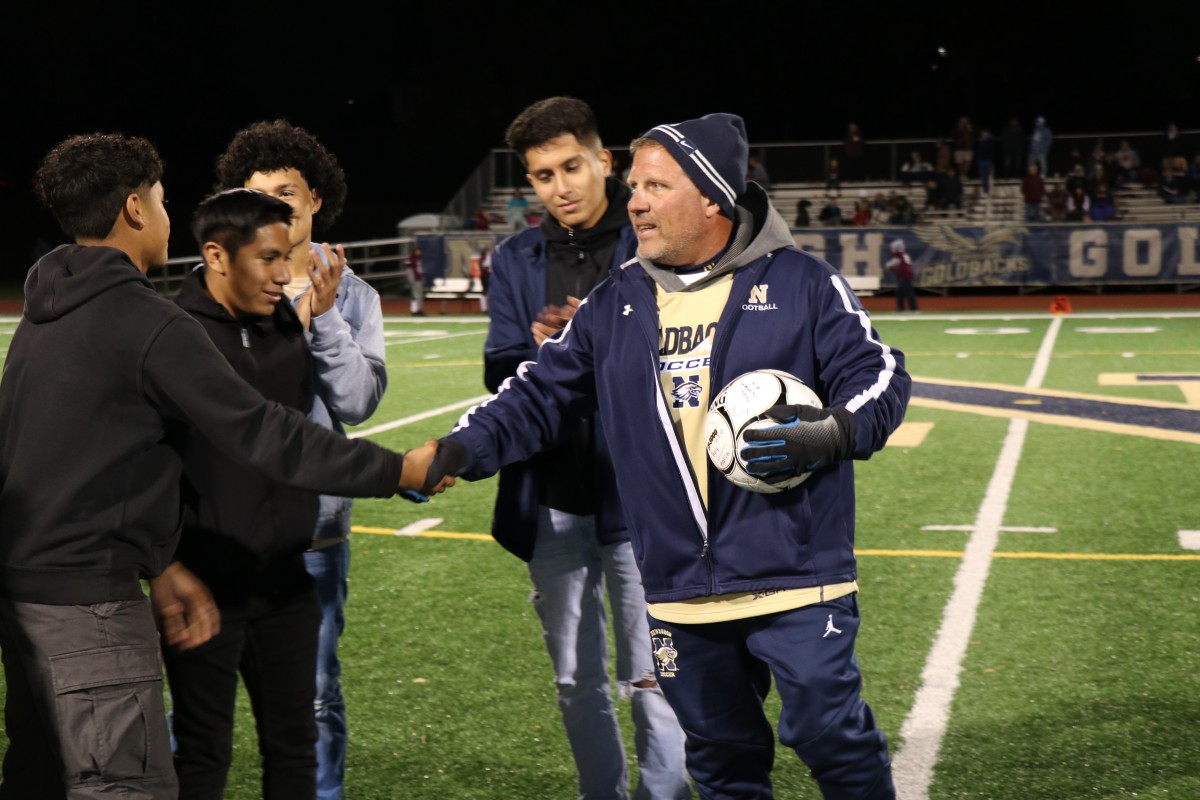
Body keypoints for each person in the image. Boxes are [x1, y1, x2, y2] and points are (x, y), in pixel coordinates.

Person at [420, 112, 909, 800]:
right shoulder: (615, 303)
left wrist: (830, 432)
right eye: (637, 185)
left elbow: (881, 376)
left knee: (829, 732)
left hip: (795, 575)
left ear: (711, 195)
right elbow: (534, 397)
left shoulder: (801, 282)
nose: (636, 201)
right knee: (720, 764)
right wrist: (457, 450)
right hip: (679, 588)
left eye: (656, 185)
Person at [0, 133, 443, 799]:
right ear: (135, 210)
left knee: (38, 776)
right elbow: (266, 434)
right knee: (127, 784)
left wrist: (162, 562)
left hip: (25, 596)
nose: (165, 210)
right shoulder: (148, 319)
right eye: (161, 197)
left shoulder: (44, 309)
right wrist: (400, 472)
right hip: (91, 601)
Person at [484, 96, 691, 800]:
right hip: (551, 500)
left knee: (654, 676)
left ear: (605, 161)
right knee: (576, 681)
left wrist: (600, 343)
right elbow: (496, 366)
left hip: (644, 500)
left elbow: (687, 356)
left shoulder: (656, 241)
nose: (561, 186)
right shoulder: (515, 259)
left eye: (572, 166)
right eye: (543, 175)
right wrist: (541, 352)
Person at [213, 118, 389, 800]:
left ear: (315, 199)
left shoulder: (357, 296)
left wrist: (322, 320)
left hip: (315, 529)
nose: (275, 212)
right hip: (225, 524)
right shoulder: (222, 287)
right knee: (203, 689)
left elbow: (356, 401)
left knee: (313, 694)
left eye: (287, 194)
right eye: (258, 198)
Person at [163, 188, 332, 799]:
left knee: (294, 748)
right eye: (267, 259)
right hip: (205, 588)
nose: (283, 275)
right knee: (203, 754)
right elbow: (145, 465)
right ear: (216, 255)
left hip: (287, 582)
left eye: (285, 257)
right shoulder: (172, 336)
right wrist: (167, 566)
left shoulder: (284, 320)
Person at [886, 238, 918, 312]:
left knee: (908, 292)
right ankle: (901, 308)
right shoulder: (904, 255)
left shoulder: (899, 255)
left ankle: (913, 308)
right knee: (899, 292)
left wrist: (889, 267)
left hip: (904, 276)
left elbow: (890, 265)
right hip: (906, 275)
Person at [974, 128, 997, 197]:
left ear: (987, 133)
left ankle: (987, 191)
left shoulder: (990, 140)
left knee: (987, 177)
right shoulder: (981, 141)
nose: (983, 134)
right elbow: (978, 151)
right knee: (984, 178)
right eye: (982, 133)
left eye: (984, 133)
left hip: (988, 162)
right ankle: (986, 191)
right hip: (981, 162)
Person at [406, 246, 426, 316]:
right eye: (417, 251)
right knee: (415, 295)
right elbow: (409, 270)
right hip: (414, 280)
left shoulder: (419, 258)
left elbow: (420, 270)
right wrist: (411, 279)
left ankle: (419, 309)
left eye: (419, 251)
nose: (418, 252)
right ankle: (414, 310)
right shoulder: (411, 258)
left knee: (420, 296)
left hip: (419, 279)